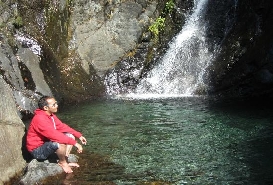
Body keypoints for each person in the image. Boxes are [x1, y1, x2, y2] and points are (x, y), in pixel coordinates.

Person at [26, 96, 87, 173]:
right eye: (54, 105)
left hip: (46, 144)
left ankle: (65, 160)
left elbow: (62, 127)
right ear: (45, 108)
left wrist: (79, 135)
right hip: (37, 151)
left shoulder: (51, 116)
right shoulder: (39, 119)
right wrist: (75, 144)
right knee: (59, 142)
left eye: (56, 103)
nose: (57, 106)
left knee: (70, 135)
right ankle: (63, 163)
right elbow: (54, 136)